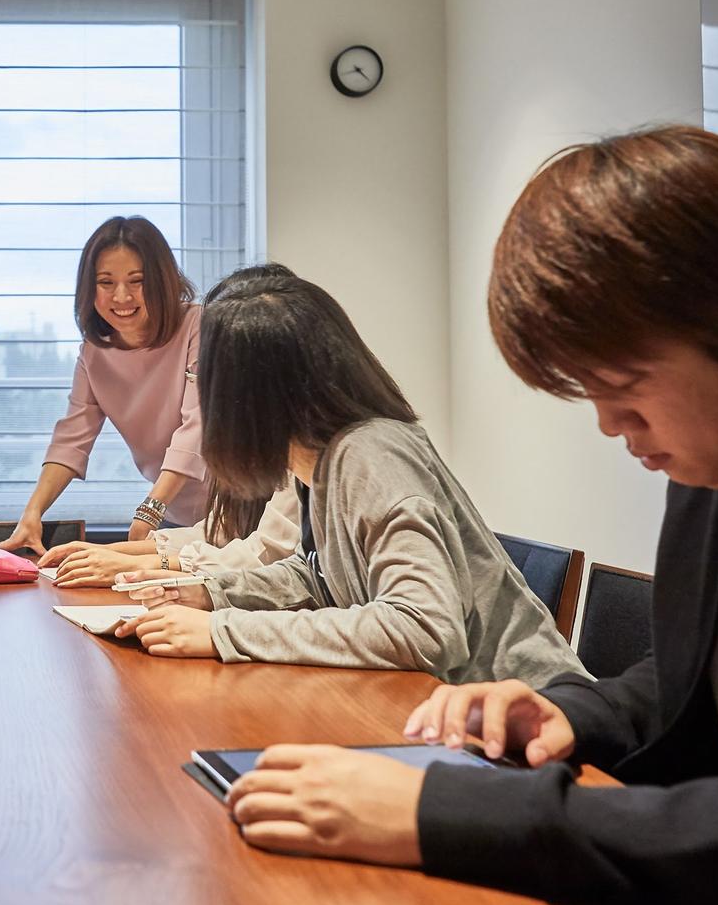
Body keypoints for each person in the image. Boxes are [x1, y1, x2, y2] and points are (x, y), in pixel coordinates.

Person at [225, 127, 718, 905]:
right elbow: (708, 685)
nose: (612, 426)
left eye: (623, 387)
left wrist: (449, 812)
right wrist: (576, 715)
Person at [117, 272, 585, 689]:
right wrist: (209, 594)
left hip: (534, 723)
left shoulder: (371, 455)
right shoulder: (320, 459)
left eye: (202, 376)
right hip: (445, 711)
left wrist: (225, 631)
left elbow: (425, 628)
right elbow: (319, 577)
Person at [41, 263, 306, 587]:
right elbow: (222, 531)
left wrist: (143, 560)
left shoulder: (307, 436)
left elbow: (266, 552)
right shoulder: (256, 431)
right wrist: (109, 552)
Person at [0, 216, 207, 557]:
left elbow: (196, 426)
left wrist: (149, 509)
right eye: (106, 282)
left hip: (240, 511)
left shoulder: (198, 325)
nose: (122, 296)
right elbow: (72, 439)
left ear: (163, 281)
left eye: (138, 281)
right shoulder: (94, 352)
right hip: (177, 517)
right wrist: (32, 514)